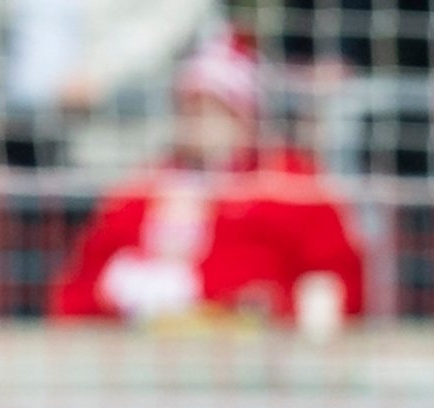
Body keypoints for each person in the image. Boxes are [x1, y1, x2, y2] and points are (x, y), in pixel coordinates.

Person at [48, 30, 366, 329]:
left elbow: (334, 283)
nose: (198, 122)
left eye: (214, 108)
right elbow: (80, 290)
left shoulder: (291, 184)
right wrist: (121, 290)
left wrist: (271, 309)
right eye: (190, 108)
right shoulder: (142, 191)